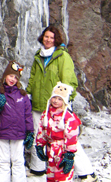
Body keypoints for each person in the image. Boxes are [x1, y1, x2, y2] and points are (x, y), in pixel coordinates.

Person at [27, 25, 97, 181]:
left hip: (57, 105)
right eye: (46, 37)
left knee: (67, 139)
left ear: (56, 40)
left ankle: (86, 172)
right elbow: (32, 78)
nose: (48, 40)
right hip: (39, 103)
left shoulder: (62, 57)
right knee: (39, 135)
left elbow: (68, 81)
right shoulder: (38, 55)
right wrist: (28, 94)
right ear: (42, 38)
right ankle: (37, 168)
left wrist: (65, 100)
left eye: (52, 37)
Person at [0, 60, 34, 182]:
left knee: (18, 161)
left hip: (18, 134)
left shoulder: (23, 95)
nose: (12, 79)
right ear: (5, 76)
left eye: (16, 77)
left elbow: (28, 114)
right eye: (11, 76)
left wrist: (30, 131)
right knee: (3, 162)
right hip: (2, 132)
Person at [35, 82, 81, 182]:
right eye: (54, 98)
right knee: (50, 176)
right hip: (50, 149)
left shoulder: (68, 116)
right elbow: (41, 130)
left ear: (64, 101)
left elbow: (72, 137)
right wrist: (39, 144)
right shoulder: (46, 114)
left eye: (60, 99)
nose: (56, 101)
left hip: (62, 151)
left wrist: (69, 154)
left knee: (62, 177)